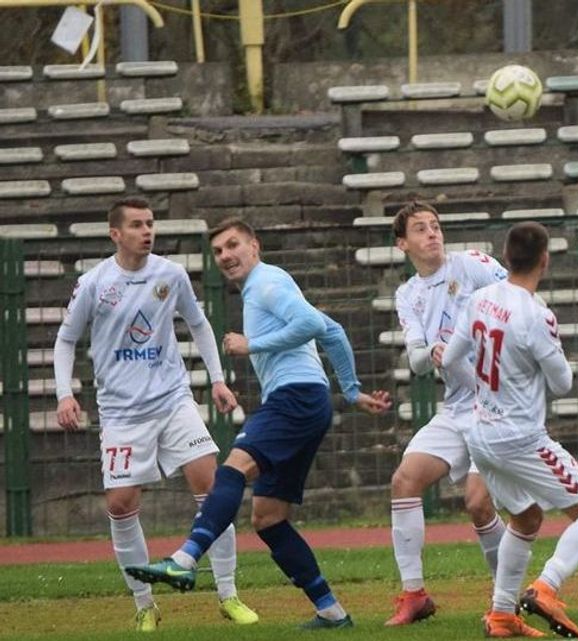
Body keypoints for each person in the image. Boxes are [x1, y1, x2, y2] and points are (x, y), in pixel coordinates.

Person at [124, 218, 391, 629]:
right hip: (307, 400)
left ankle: (185, 559)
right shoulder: (267, 286)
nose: (225, 256)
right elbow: (333, 331)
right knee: (268, 518)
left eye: (233, 245)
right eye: (218, 251)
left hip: (295, 397)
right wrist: (352, 390)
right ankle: (331, 612)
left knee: (232, 469)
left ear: (255, 246)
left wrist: (253, 345)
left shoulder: (266, 282)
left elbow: (311, 326)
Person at [53, 198, 259, 632]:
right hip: (122, 413)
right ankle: (145, 604)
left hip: (172, 400)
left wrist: (217, 380)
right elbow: (66, 340)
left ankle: (228, 594)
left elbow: (198, 324)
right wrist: (64, 394)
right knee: (121, 504)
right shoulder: (94, 283)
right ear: (115, 234)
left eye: (150, 223)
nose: (147, 231)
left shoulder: (170, 274)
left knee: (213, 488)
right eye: (136, 225)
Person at [442, 222, 578, 638]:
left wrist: (489, 387)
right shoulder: (537, 315)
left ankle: (501, 615)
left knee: (527, 517)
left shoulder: (479, 299)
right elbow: (562, 383)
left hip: (480, 433)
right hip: (521, 437)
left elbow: (450, 359)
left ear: (506, 254)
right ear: (545, 260)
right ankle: (546, 588)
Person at [387, 201, 507, 626]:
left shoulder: (471, 264)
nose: (432, 234)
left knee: (477, 503)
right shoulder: (408, 294)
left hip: (498, 405)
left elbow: (519, 299)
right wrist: (434, 351)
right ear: (402, 244)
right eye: (420, 229)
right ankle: (414, 595)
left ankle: (505, 598)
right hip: (457, 407)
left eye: (435, 226)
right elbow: (417, 360)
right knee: (404, 480)